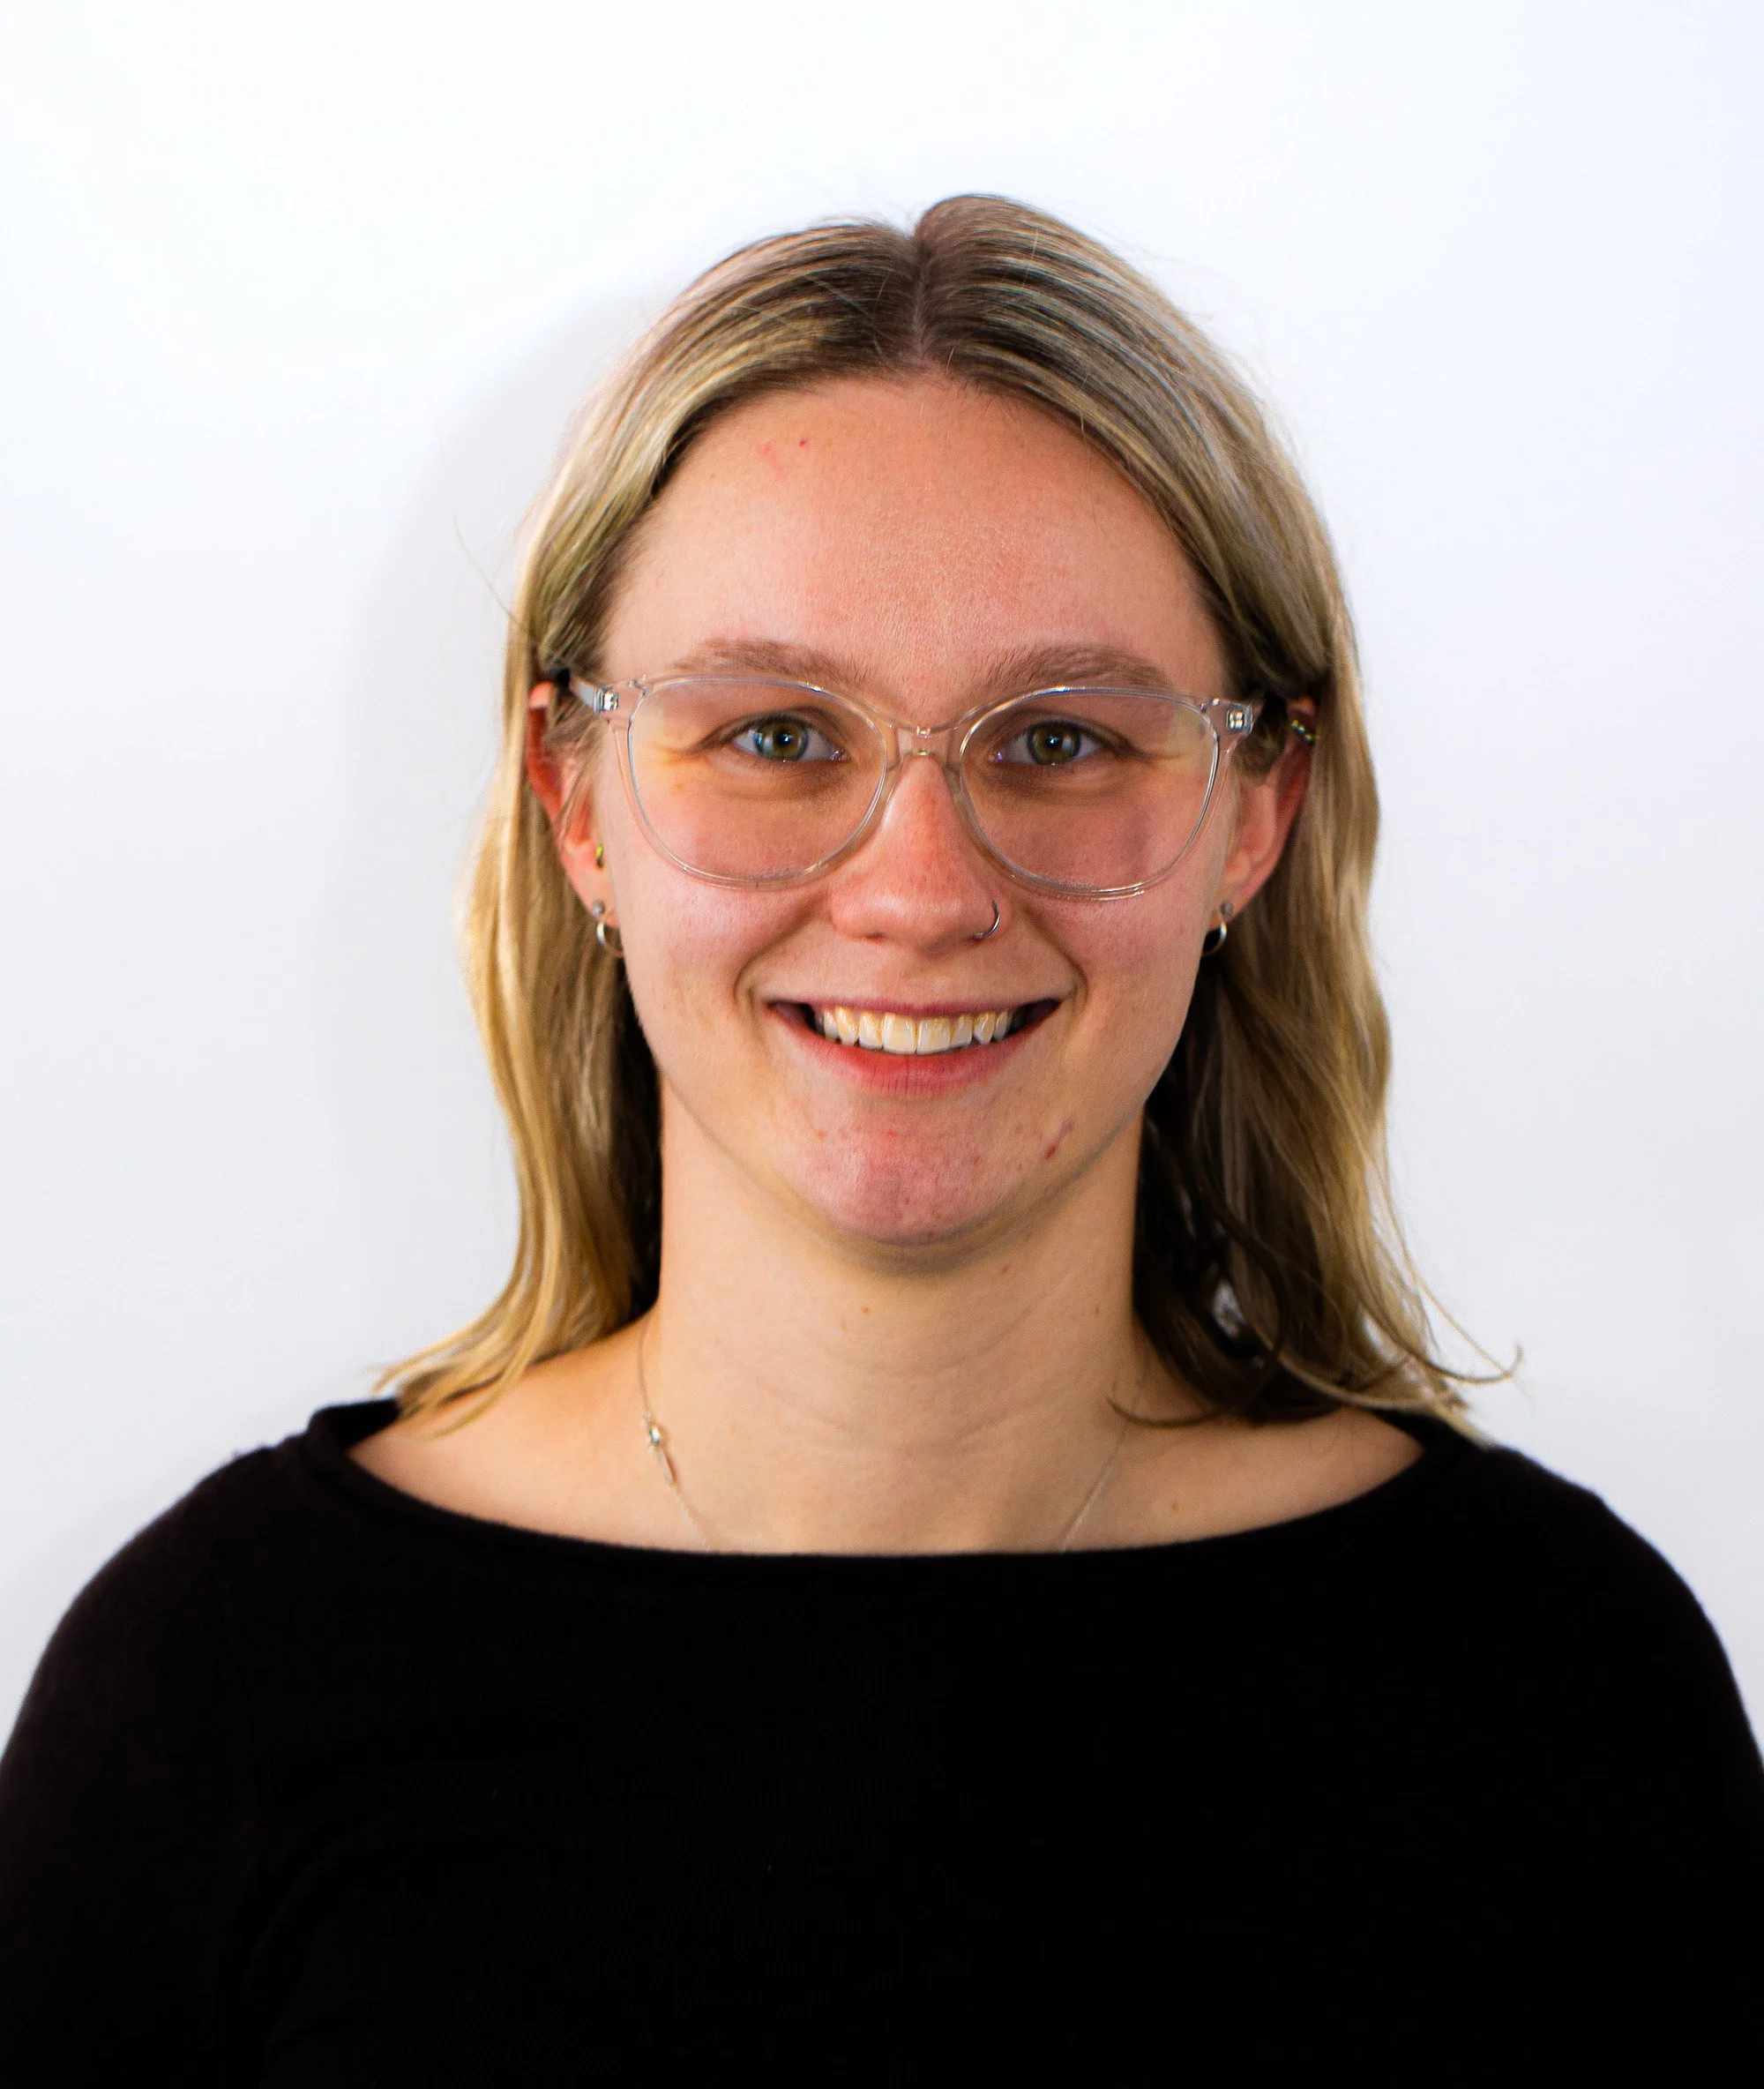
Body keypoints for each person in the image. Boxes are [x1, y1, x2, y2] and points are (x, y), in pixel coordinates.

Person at [1, 195, 1759, 2082]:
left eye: (1061, 740)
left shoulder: (1557, 1686)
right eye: (773, 735)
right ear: (574, 801)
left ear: (1259, 810)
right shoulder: (215, 1689)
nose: (918, 892)